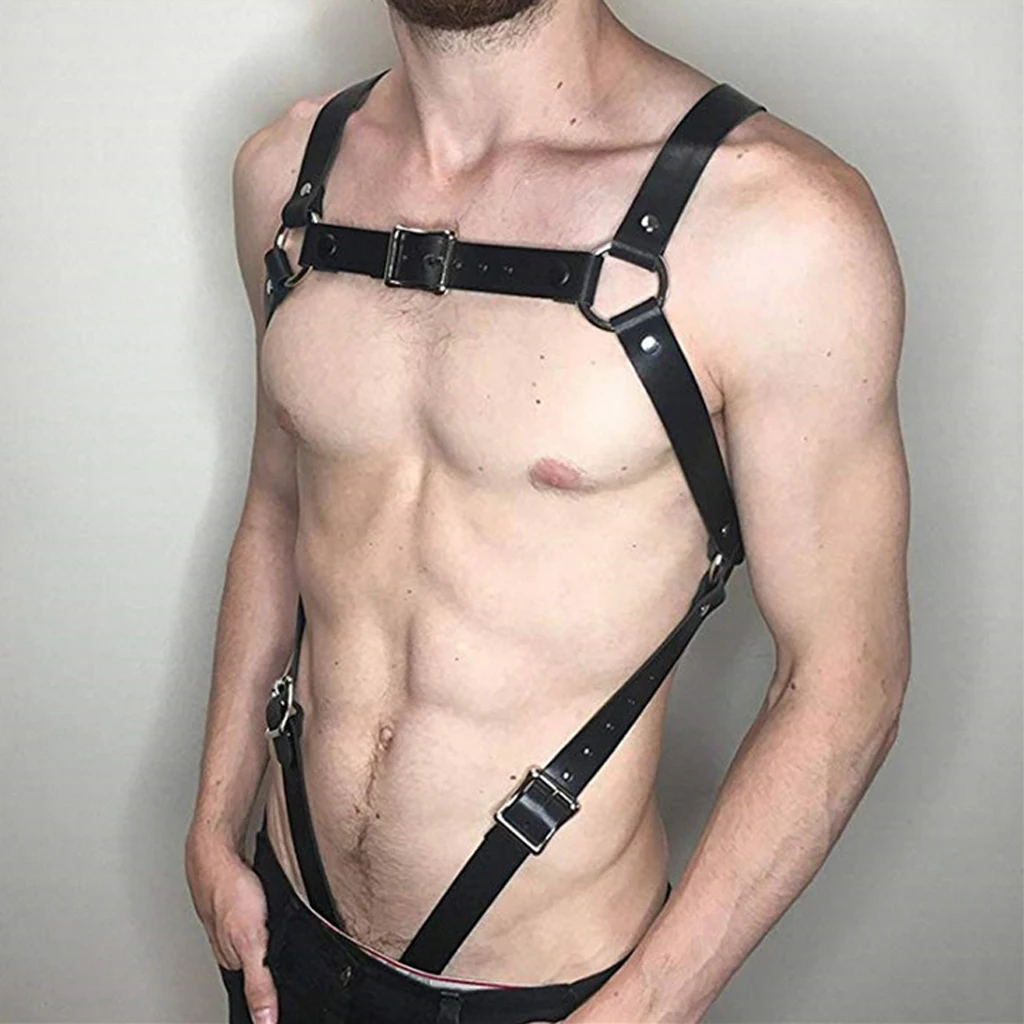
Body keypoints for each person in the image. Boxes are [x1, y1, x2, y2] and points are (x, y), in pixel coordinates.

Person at [184, 1, 911, 1021]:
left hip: (546, 994)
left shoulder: (779, 224)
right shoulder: (284, 172)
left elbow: (844, 679)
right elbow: (275, 508)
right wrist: (214, 826)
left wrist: (644, 1008)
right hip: (284, 925)